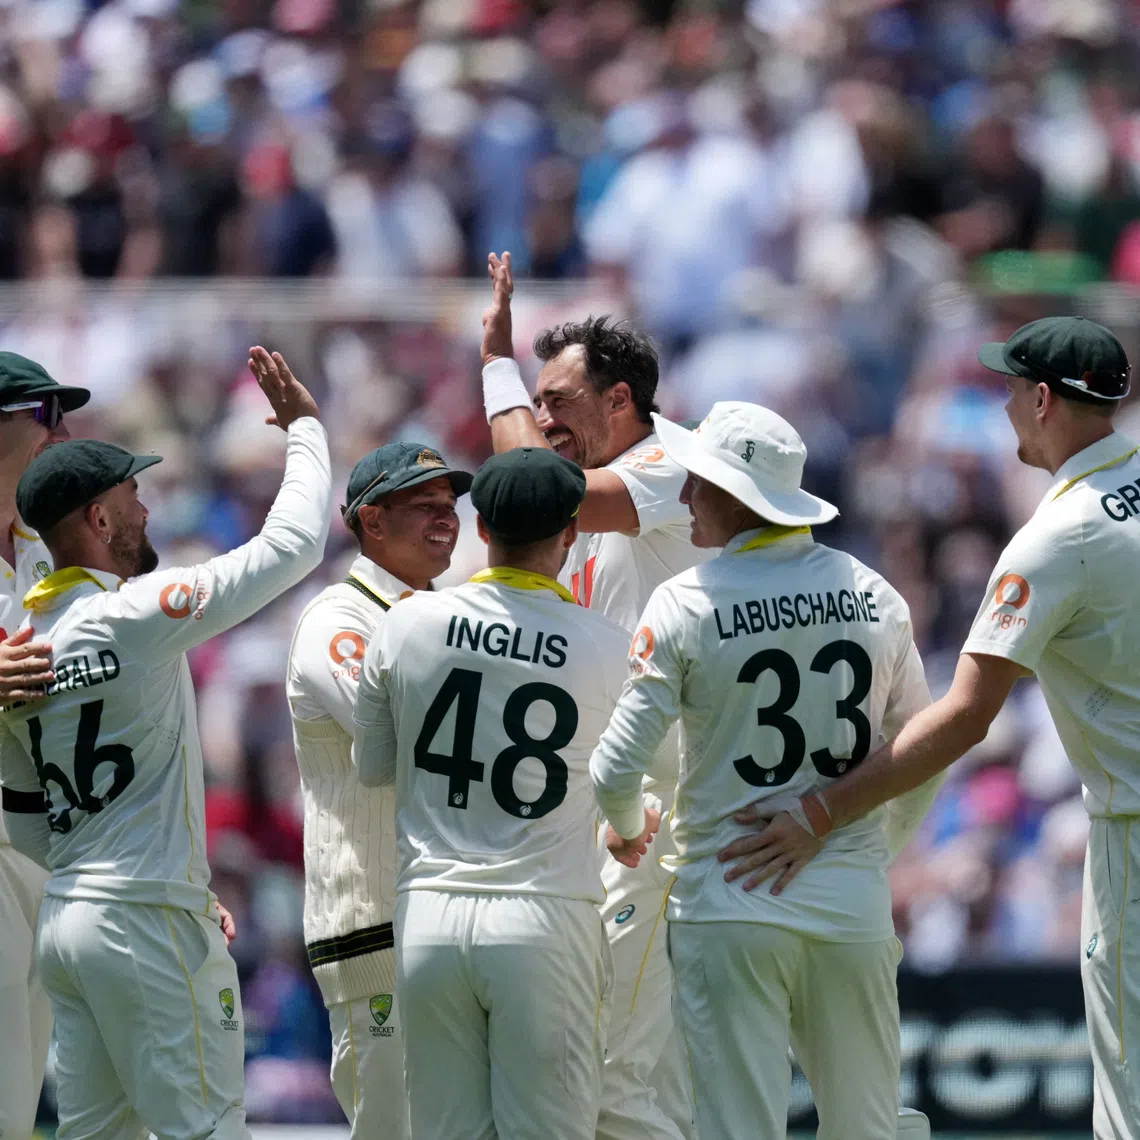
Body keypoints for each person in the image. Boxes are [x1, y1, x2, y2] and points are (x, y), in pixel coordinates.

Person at [721, 316, 1140, 1140]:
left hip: (1132, 828)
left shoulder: (1054, 540)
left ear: (1043, 400)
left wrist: (819, 814)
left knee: (1128, 1096)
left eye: (1011, 390)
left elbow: (963, 719)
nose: (1005, 406)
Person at [0, 348, 331, 1140]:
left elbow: (20, 806)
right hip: (140, 913)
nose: (148, 511)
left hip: (69, 916)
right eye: (132, 495)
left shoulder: (28, 634)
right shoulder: (134, 613)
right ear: (100, 521)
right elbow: (292, 548)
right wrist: (308, 432)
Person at [590, 402, 941, 1140]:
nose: (683, 496)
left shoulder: (683, 602)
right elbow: (923, 749)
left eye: (698, 483)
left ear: (736, 495)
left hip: (727, 903)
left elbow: (615, 769)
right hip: (849, 904)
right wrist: (873, 849)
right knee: (869, 1129)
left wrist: (628, 829)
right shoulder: (873, 591)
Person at [480, 250, 703, 1140]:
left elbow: (537, 492)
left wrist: (495, 367)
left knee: (614, 1059)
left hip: (661, 808)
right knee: (615, 1051)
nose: (541, 420)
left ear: (622, 401)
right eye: (535, 402)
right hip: (603, 801)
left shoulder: (672, 464)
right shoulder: (613, 479)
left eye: (558, 402)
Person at [352, 447, 631, 1140]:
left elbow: (375, 766)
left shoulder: (407, 621)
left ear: (483, 531)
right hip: (543, 917)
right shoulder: (609, 646)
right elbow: (626, 778)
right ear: (570, 533)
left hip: (430, 919)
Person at [287, 440, 472, 1138]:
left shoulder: (445, 613)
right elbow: (410, 739)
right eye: (423, 507)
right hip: (371, 919)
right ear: (371, 521)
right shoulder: (340, 619)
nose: (445, 520)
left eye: (450, 507)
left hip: (443, 915)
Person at [0, 351, 89, 1138]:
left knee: (24, 1094)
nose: (63, 433)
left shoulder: (42, 554)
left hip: (41, 845)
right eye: (45, 415)